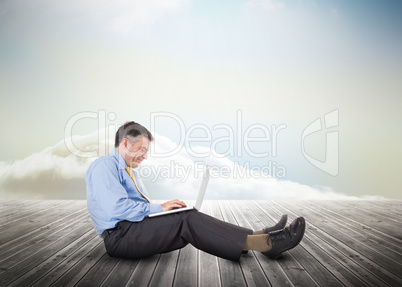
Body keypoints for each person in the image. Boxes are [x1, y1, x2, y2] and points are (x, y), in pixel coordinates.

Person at [85, 121, 305, 261]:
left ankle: (258, 235)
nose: (145, 155)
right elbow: (117, 207)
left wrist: (162, 211)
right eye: (142, 149)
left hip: (131, 230)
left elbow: (136, 208)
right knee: (187, 220)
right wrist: (159, 207)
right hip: (120, 238)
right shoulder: (104, 166)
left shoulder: (128, 170)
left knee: (187, 215)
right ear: (125, 143)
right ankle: (268, 245)